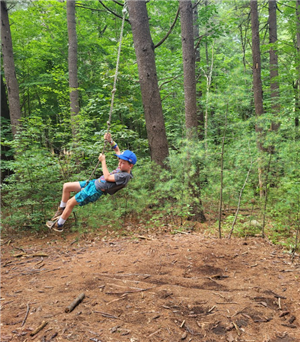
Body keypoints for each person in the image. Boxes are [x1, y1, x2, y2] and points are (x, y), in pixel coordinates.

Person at [46, 133, 136, 232]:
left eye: (123, 162)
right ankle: (60, 211)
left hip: (94, 190)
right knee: (66, 186)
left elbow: (107, 177)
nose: (120, 163)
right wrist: (110, 141)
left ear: (130, 165)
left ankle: (59, 225)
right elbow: (117, 150)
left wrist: (103, 161)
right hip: (93, 183)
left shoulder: (125, 176)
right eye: (119, 161)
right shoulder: (122, 167)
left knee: (70, 203)